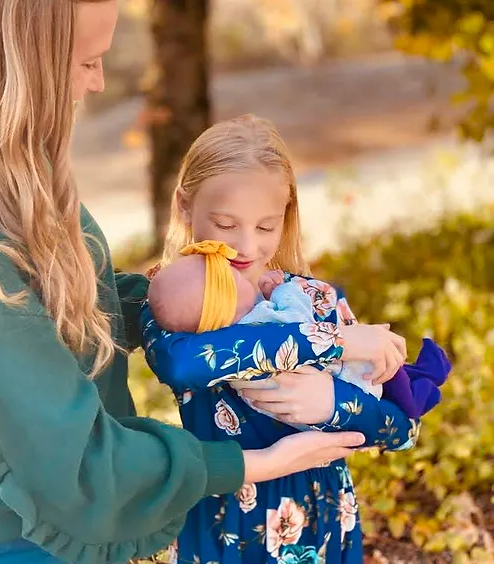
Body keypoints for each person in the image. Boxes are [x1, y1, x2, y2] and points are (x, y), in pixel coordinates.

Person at [0, 3, 367, 564]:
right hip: (5, 539)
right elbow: (78, 463)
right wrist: (258, 463)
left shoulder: (13, 178)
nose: (99, 81)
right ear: (25, 64)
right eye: (88, 61)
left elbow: (76, 306)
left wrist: (237, 305)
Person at [141, 115, 438, 563]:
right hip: (230, 524)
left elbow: (403, 429)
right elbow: (184, 364)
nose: (245, 247)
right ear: (185, 206)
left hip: (325, 519)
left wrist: (333, 402)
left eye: (265, 227)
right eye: (224, 223)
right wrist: (332, 340)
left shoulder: (313, 298)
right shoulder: (175, 299)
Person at [147, 243, 449, 421]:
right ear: (224, 300)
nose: (239, 271)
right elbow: (298, 320)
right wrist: (282, 289)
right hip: (349, 377)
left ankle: (422, 376)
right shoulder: (258, 318)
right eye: (231, 277)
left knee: (392, 371)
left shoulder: (233, 336)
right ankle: (425, 388)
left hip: (336, 382)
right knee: (398, 387)